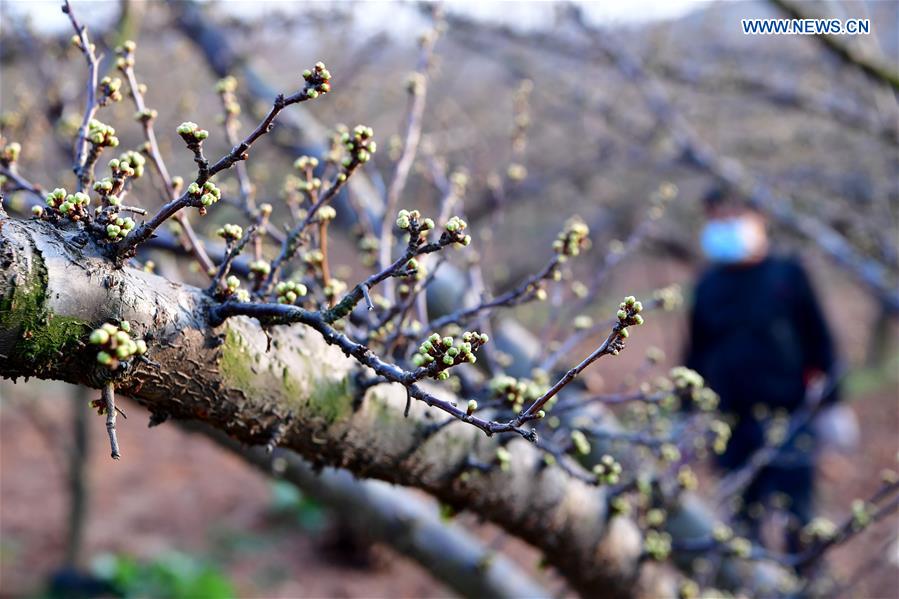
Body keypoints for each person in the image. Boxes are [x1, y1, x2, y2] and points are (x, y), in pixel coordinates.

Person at [685, 186, 840, 554]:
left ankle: (803, 583)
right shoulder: (708, 285)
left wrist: (834, 403)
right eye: (717, 219)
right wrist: (686, 410)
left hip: (789, 414)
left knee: (796, 515)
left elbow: (819, 339)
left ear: (760, 219)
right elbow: (695, 352)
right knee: (741, 517)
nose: (726, 226)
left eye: (734, 217)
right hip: (732, 423)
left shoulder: (789, 275)